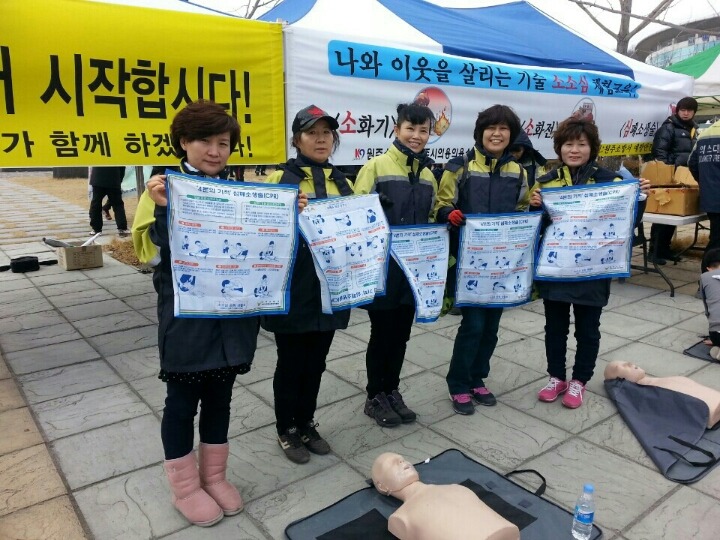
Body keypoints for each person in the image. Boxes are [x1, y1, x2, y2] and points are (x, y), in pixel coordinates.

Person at [131, 100, 288, 527]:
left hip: (234, 318)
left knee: (221, 397)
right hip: (188, 319)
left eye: (224, 143)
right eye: (205, 141)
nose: (215, 151)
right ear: (184, 142)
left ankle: (214, 476)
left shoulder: (240, 192)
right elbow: (151, 254)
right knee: (182, 402)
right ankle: (185, 488)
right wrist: (163, 208)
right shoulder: (163, 187)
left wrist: (287, 216)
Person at [530, 117, 650, 409]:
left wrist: (639, 198)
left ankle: (579, 381)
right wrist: (534, 208)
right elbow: (538, 228)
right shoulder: (546, 182)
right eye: (568, 144)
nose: (574, 150)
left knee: (587, 329)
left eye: (581, 144)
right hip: (557, 270)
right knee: (554, 328)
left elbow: (628, 222)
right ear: (559, 148)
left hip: (593, 271)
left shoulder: (611, 182)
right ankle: (556, 377)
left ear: (592, 148)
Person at [262, 105, 353, 463]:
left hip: (330, 289)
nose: (320, 139)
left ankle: (306, 423)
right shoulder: (279, 179)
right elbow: (263, 232)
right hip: (293, 289)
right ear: (297, 140)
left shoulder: (344, 182)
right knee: (290, 362)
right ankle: (286, 427)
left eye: (326, 133)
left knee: (317, 361)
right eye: (311, 133)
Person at [434, 104, 529, 415]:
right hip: (469, 263)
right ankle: (458, 383)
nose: (497, 134)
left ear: (512, 135)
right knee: (473, 325)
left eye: (504, 129)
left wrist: (533, 213)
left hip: (503, 265)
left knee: (491, 326)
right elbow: (441, 204)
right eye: (491, 128)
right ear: (480, 132)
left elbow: (522, 210)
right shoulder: (459, 167)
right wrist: (449, 214)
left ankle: (478, 379)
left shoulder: (518, 171)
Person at [354, 103, 436, 427]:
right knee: (382, 333)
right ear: (396, 129)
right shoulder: (375, 167)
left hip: (412, 272)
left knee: (401, 334)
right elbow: (355, 213)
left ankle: (392, 390)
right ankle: (375, 395)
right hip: (383, 269)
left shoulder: (428, 175)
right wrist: (373, 208)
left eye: (423, 130)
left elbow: (432, 218)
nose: (416, 136)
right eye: (410, 128)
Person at [371, 452, 520, 540]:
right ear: (382, 486)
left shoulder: (456, 488)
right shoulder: (401, 518)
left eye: (402, 459)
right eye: (393, 463)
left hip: (505, 531)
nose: (402, 461)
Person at [650, 96, 698, 264]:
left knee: (673, 216)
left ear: (694, 112)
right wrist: (667, 174)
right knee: (663, 215)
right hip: (669, 179)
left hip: (684, 178)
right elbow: (659, 152)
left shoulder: (693, 129)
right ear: (677, 111)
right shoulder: (668, 128)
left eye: (689, 110)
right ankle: (654, 251)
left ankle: (665, 249)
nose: (686, 113)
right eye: (683, 110)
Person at [604, 361, 720, 428]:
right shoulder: (652, 392)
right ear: (620, 382)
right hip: (709, 411)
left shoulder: (655, 384)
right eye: (622, 367)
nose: (630, 363)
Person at [689, 119, 720, 276]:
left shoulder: (706, 134)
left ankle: (707, 279)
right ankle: (708, 281)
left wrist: (705, 183)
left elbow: (691, 163)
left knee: (716, 239)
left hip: (711, 197)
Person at [89, 166, 128, 236]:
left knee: (96, 204)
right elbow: (122, 166)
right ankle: (122, 228)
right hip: (114, 178)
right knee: (118, 205)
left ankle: (96, 229)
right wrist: (119, 179)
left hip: (98, 177)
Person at [699, 248, 720, 360]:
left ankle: (717, 346)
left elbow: (707, 309)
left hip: (716, 334)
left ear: (707, 268)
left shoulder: (704, 277)